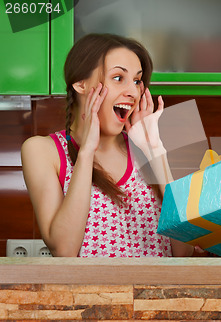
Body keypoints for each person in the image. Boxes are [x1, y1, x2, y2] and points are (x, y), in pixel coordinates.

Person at [21, 33, 193, 257]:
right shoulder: (43, 151)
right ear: (80, 84)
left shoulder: (148, 148)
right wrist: (86, 152)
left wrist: (156, 152)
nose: (132, 92)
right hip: (92, 293)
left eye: (137, 81)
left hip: (158, 292)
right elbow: (64, 250)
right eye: (118, 78)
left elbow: (185, 252)